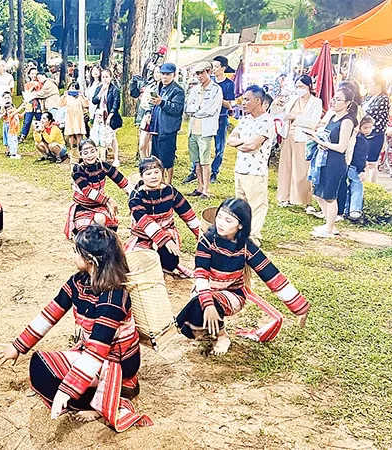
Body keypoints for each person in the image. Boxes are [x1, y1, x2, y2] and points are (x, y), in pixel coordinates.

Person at [0, 224, 151, 431]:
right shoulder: (79, 281)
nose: (73, 255)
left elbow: (97, 350)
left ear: (91, 260)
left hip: (117, 362)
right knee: (40, 367)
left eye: (77, 251)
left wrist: (67, 390)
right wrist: (17, 346)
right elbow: (50, 313)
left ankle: (108, 399)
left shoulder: (113, 297)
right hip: (92, 352)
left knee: (57, 382)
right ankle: (92, 394)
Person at [175, 198, 310, 355]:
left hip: (233, 294)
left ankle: (222, 336)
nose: (220, 223)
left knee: (206, 302)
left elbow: (271, 276)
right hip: (205, 288)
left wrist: (299, 307)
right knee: (199, 306)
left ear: (240, 225)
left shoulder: (247, 247)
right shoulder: (207, 240)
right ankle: (206, 326)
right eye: (219, 217)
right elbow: (201, 273)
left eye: (228, 220)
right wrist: (208, 304)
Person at [125, 157, 201, 277]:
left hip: (167, 232)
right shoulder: (136, 197)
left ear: (162, 172)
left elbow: (187, 213)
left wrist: (200, 234)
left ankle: (164, 274)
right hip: (142, 236)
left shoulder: (170, 191)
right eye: (148, 173)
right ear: (141, 176)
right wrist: (165, 240)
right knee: (138, 263)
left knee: (170, 257)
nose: (153, 176)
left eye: (156, 172)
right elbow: (145, 222)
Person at [307, 87, 358, 238]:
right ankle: (329, 223)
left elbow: (341, 147)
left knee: (330, 196)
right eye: (333, 98)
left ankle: (329, 229)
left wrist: (320, 142)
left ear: (347, 103)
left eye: (338, 99)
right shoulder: (333, 117)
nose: (333, 102)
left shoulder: (347, 121)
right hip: (324, 158)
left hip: (335, 162)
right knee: (319, 194)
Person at [227, 85, 275, 245]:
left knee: (257, 206)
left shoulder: (267, 121)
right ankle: (241, 233)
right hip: (240, 168)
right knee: (241, 205)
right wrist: (245, 142)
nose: (243, 102)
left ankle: (253, 236)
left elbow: (252, 146)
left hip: (256, 171)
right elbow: (230, 139)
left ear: (258, 101)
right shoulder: (245, 119)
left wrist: (242, 143)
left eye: (247, 99)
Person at [65, 139, 133, 239]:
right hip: (82, 206)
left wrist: (133, 194)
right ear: (81, 154)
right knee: (86, 231)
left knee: (100, 219)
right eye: (85, 153)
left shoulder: (103, 166)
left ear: (96, 151)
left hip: (99, 205)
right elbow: (88, 191)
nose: (90, 155)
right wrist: (109, 200)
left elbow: (122, 181)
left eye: (92, 151)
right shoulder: (77, 170)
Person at [185, 56, 236, 184]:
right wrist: (201, 107)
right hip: (200, 122)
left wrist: (216, 100)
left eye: (216, 67)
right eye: (212, 67)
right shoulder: (202, 85)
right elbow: (190, 106)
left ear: (223, 68)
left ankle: (214, 172)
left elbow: (227, 105)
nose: (214, 69)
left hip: (220, 117)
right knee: (198, 149)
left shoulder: (226, 85)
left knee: (219, 147)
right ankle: (195, 173)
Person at [276, 75, 322, 211]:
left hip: (303, 138)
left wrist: (296, 117)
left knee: (302, 169)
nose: (299, 89)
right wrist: (277, 104)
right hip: (288, 137)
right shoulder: (292, 99)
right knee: (286, 167)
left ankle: (304, 200)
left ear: (309, 87)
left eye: (301, 86)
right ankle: (284, 197)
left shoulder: (316, 102)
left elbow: (313, 122)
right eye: (297, 86)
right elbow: (279, 112)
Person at [184, 62, 222, 198]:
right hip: (193, 129)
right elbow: (188, 108)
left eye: (202, 73)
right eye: (197, 74)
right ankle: (200, 186)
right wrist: (197, 109)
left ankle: (206, 189)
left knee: (205, 161)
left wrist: (196, 111)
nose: (199, 76)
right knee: (196, 161)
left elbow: (210, 109)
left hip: (206, 130)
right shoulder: (195, 89)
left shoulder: (216, 89)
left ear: (209, 72)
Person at [150, 63, 185, 185]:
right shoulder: (158, 87)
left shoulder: (177, 90)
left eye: (168, 74)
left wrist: (162, 102)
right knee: (156, 156)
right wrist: (149, 113)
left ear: (173, 75)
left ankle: (169, 183)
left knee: (168, 158)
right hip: (156, 127)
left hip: (168, 128)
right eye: (163, 74)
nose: (164, 77)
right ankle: (160, 180)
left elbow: (176, 109)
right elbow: (153, 104)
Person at [337, 116, 372, 221]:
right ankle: (354, 210)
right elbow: (360, 156)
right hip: (355, 166)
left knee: (347, 188)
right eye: (365, 127)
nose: (368, 130)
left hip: (349, 164)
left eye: (370, 127)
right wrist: (362, 170)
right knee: (357, 187)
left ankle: (346, 209)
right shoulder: (360, 139)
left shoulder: (355, 137)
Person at [92, 69, 122, 167]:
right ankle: (101, 158)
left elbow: (116, 104)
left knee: (112, 137)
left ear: (110, 78)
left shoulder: (114, 89)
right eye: (103, 77)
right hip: (99, 115)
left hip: (111, 116)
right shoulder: (99, 88)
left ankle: (116, 158)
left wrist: (110, 116)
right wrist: (101, 92)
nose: (105, 79)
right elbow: (94, 101)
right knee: (99, 135)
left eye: (107, 77)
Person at [362, 78, 390, 183]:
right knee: (363, 162)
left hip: (375, 134)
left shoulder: (383, 99)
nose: (368, 86)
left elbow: (369, 113)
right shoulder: (367, 97)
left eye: (371, 83)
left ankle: (372, 184)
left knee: (371, 163)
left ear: (378, 85)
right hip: (364, 134)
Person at [134, 65, 161, 160]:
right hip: (146, 116)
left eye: (159, 72)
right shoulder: (150, 86)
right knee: (142, 145)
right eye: (155, 72)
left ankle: (152, 164)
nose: (156, 74)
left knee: (152, 146)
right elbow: (144, 101)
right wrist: (147, 112)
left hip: (157, 118)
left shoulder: (163, 88)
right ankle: (144, 163)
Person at [61, 82, 89, 153]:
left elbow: (86, 104)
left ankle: (80, 148)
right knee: (70, 134)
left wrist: (82, 95)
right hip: (70, 117)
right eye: (71, 88)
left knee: (78, 134)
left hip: (78, 117)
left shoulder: (80, 97)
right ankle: (72, 149)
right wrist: (64, 95)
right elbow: (61, 104)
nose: (72, 89)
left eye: (74, 88)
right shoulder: (67, 97)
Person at [20, 67, 43, 141]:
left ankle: (42, 134)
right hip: (30, 104)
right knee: (27, 121)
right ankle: (23, 135)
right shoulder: (27, 84)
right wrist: (33, 86)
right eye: (32, 74)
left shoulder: (40, 83)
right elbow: (27, 94)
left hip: (38, 104)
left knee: (40, 119)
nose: (34, 75)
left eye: (35, 74)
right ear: (29, 75)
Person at [0, 91, 25, 159]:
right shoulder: (9, 114)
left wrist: (26, 110)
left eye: (8, 97)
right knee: (11, 141)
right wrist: (22, 105)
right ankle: (12, 153)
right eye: (8, 109)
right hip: (10, 129)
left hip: (14, 129)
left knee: (14, 141)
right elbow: (17, 111)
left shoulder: (13, 110)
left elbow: (20, 115)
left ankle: (13, 152)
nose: (10, 110)